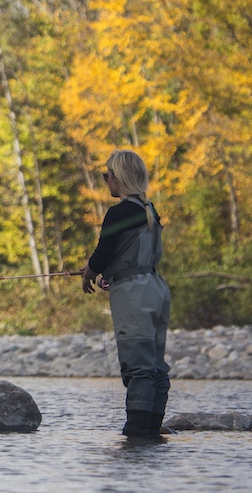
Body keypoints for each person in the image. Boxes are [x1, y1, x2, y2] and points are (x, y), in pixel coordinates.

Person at [81, 149, 171, 438]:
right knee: (155, 365)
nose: (106, 180)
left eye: (107, 175)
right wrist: (110, 274)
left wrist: (90, 272)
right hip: (155, 289)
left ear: (118, 178)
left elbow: (104, 251)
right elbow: (132, 253)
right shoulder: (149, 209)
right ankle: (152, 429)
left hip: (135, 294)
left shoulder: (120, 212)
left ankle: (136, 433)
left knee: (138, 365)